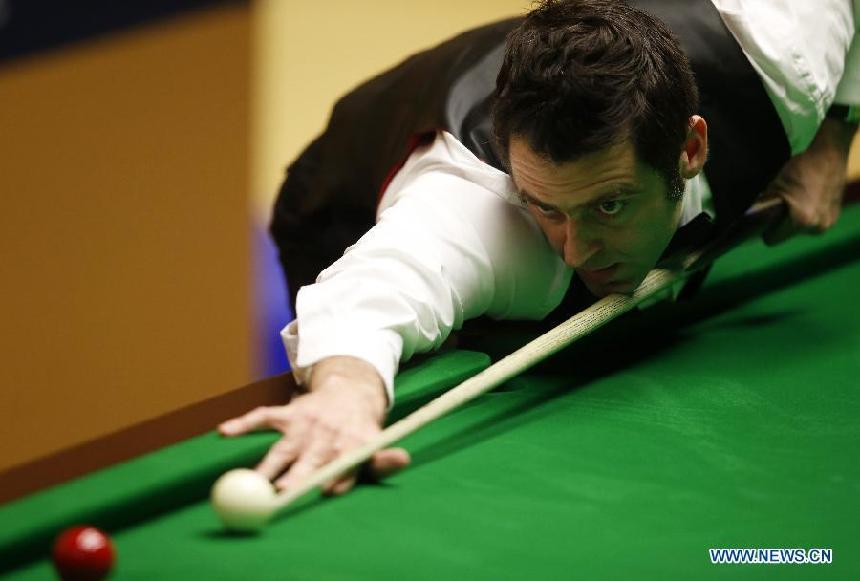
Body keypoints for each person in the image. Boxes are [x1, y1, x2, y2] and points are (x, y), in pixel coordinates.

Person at [219, 0, 859, 496]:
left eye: (609, 204)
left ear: (689, 150)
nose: (577, 248)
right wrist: (344, 397)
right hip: (338, 206)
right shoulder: (484, 214)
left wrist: (834, 129)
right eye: (549, 206)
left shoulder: (784, 56)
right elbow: (379, 289)